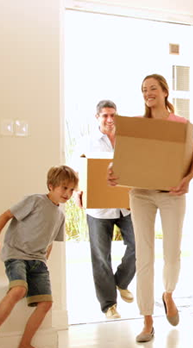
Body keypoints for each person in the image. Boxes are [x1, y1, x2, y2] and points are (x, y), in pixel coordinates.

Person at [108, 74, 193, 343]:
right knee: (144, 257)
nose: (148, 93)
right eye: (144, 90)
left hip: (171, 194)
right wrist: (113, 174)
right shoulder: (137, 126)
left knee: (172, 254)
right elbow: (121, 162)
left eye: (153, 88)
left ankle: (168, 294)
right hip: (141, 195)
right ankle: (147, 321)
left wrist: (187, 180)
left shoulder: (180, 125)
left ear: (164, 92)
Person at [0, 165, 79, 348]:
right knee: (19, 289)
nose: (68, 193)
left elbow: (50, 240)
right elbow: (6, 216)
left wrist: (44, 260)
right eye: (64, 188)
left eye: (71, 190)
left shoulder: (60, 215)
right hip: (16, 255)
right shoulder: (35, 201)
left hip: (37, 261)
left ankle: (25, 345)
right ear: (51, 186)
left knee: (46, 303)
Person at [73, 100, 136, 320]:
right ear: (97, 117)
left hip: (126, 205)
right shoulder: (86, 142)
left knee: (139, 247)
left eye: (113, 115)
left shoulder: (128, 141)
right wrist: (76, 194)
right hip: (99, 209)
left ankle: (121, 281)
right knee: (101, 257)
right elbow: (76, 173)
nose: (110, 120)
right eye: (105, 116)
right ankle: (108, 305)